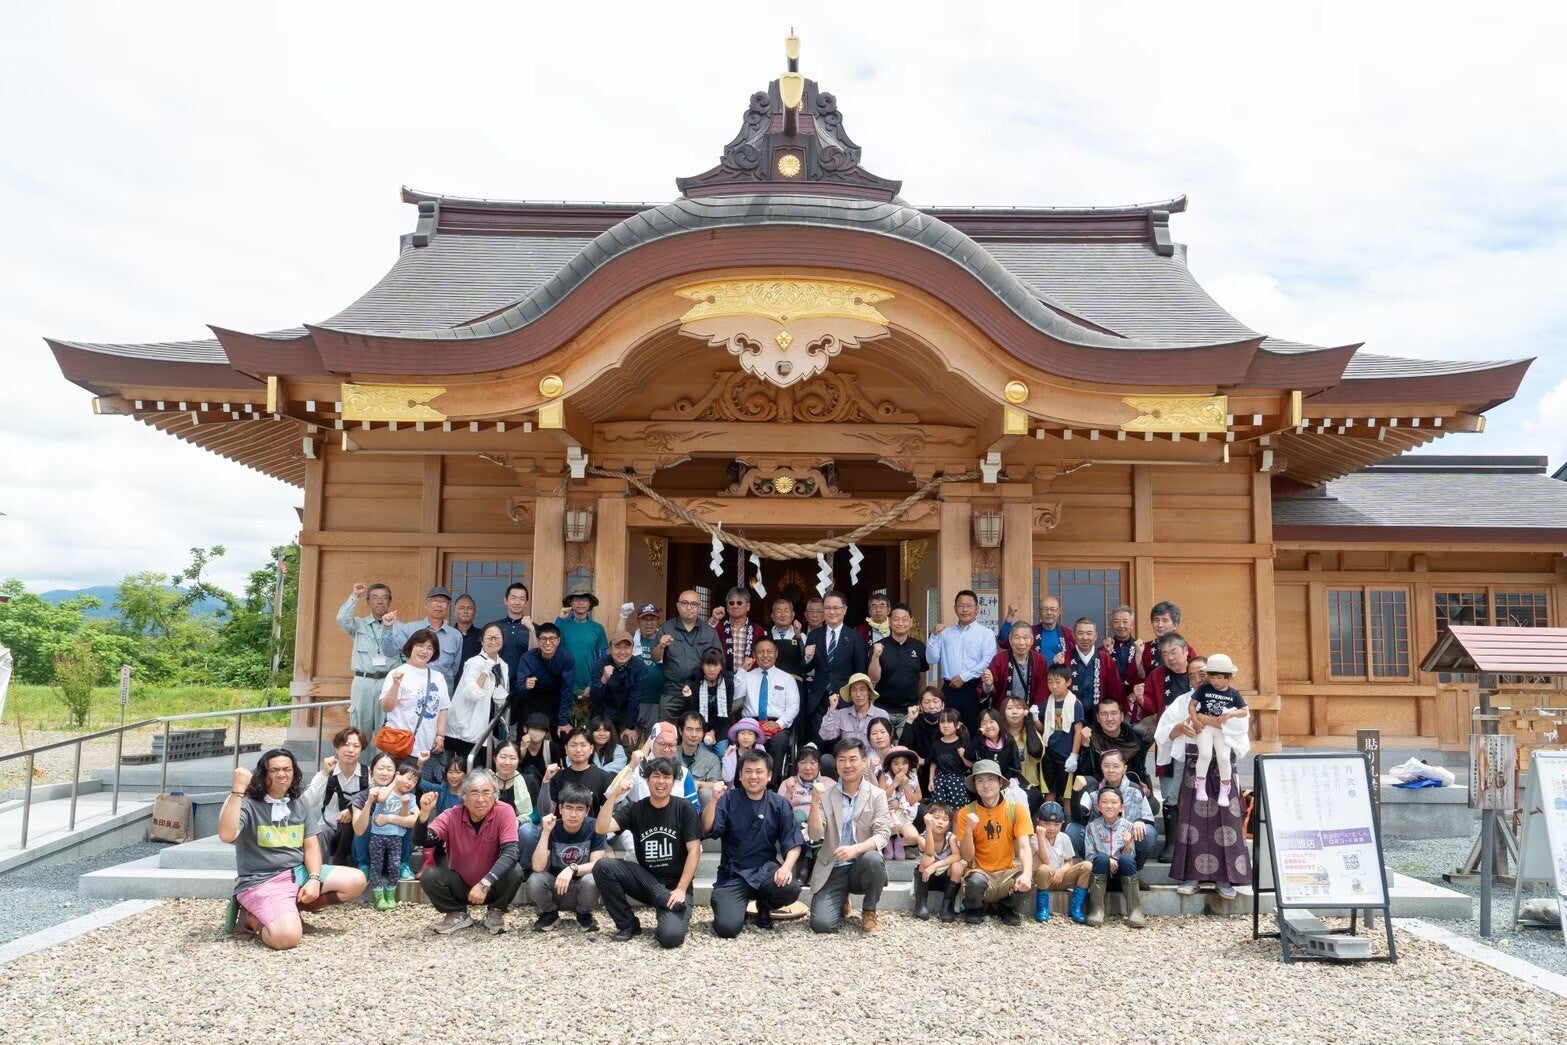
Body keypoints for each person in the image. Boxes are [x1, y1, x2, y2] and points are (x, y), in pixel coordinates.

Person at [219, 749, 367, 949]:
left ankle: (290, 910)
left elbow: (311, 846)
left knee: (356, 880)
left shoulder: (298, 802)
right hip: (262, 881)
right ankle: (251, 919)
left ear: (294, 773)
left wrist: (314, 879)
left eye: (287, 769)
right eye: (274, 770)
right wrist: (237, 791)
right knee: (287, 939)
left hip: (297, 873)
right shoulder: (248, 804)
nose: (282, 774)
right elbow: (227, 835)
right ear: (263, 774)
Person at [1154, 674, 1252, 899]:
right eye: (1193, 674)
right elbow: (1164, 733)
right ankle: (1191, 877)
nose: (1200, 678)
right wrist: (1179, 728)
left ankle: (1225, 879)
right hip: (1194, 767)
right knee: (1191, 823)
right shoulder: (1182, 702)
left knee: (1227, 822)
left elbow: (1239, 724)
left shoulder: (1231, 696)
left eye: (1203, 672)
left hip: (1223, 769)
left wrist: (1201, 717)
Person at [594, 757, 704, 946]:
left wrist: (681, 889)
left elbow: (694, 851)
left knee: (670, 938)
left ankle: (666, 903)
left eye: (667, 777)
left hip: (675, 886)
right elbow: (601, 828)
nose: (661, 781)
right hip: (646, 880)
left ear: (673, 782)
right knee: (603, 866)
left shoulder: (684, 808)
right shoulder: (635, 808)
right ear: (647, 780)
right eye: (656, 776)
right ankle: (628, 924)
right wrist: (613, 796)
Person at [703, 749, 804, 936]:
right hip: (733, 873)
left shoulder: (779, 803)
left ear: (769, 775)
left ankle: (765, 904)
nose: (753, 776)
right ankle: (734, 906)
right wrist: (713, 800)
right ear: (740, 776)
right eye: (748, 771)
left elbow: (793, 841)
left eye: (759, 771)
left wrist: (786, 867)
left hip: (765, 870)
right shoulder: (728, 799)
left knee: (791, 888)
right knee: (727, 928)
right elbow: (707, 829)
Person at [418, 768, 523, 935]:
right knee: (429, 876)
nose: (480, 799)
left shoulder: (505, 811)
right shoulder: (452, 814)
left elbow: (511, 852)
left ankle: (495, 911)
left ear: (495, 796)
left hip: (492, 884)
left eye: (486, 792)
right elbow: (422, 840)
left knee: (515, 871)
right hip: (460, 884)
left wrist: (486, 882)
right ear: (464, 797)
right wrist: (424, 814)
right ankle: (457, 913)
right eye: (474, 793)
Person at [807, 738, 892, 934]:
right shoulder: (826, 795)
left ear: (864, 762)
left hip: (861, 865)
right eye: (842, 760)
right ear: (836, 763)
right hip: (833, 867)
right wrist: (814, 802)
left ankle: (869, 910)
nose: (847, 765)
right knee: (822, 925)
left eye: (853, 759)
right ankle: (842, 898)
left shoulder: (877, 795)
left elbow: (882, 835)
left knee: (873, 858)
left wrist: (855, 849)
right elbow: (815, 834)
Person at [955, 759, 1034, 926]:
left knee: (1026, 880)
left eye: (991, 779)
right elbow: (967, 856)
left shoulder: (1016, 810)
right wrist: (968, 830)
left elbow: (1024, 846)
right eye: (980, 780)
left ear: (1000, 782)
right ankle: (976, 908)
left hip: (1007, 872)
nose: (986, 785)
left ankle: (1006, 907)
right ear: (975, 785)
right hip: (980, 872)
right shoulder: (966, 813)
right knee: (975, 882)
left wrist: (1027, 873)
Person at [1139, 633, 1195, 858]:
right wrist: (1141, 699)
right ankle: (1172, 845)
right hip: (1170, 740)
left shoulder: (1198, 671)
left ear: (1186, 651)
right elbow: (1151, 707)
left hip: (1198, 740)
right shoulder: (1157, 675)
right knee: (1171, 792)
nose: (1170, 657)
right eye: (1165, 654)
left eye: (1174, 652)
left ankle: (1193, 846)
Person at [526, 783, 606, 932]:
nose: (573, 814)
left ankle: (583, 914)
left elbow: (597, 864)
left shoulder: (595, 827)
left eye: (579, 809)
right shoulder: (552, 827)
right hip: (555, 888)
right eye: (569, 808)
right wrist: (546, 832)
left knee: (593, 879)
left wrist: (572, 869)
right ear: (560, 808)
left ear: (587, 811)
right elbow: (537, 866)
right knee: (535, 879)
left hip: (582, 890)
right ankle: (550, 913)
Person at [801, 590, 868, 749]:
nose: (832, 612)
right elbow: (805, 667)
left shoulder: (855, 637)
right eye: (827, 608)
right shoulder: (814, 635)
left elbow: (860, 673)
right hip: (819, 700)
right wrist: (807, 657)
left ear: (844, 609)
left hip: (844, 700)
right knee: (818, 746)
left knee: (842, 747)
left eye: (836, 608)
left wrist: (858, 698)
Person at [1070, 750, 1158, 870]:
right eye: (1106, 766)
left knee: (1149, 832)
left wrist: (1139, 820)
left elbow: (1149, 818)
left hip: (1127, 841)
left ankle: (1133, 869)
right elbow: (1078, 816)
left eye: (1116, 766)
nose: (1111, 770)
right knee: (1073, 830)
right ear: (1101, 767)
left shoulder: (1135, 789)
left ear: (1124, 768)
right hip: (1099, 840)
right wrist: (1075, 792)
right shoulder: (1093, 789)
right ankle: (1095, 866)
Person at [337, 582, 398, 749]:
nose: (380, 601)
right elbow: (342, 619)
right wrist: (355, 595)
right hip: (363, 681)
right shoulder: (358, 625)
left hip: (388, 682)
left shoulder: (399, 627)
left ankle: (382, 765)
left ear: (389, 601)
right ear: (368, 602)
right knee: (358, 733)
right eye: (375, 598)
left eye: (384, 598)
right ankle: (359, 765)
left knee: (386, 732)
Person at [301, 726, 371, 870]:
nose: (350, 750)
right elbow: (307, 802)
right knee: (317, 833)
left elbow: (376, 800)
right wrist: (324, 773)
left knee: (350, 829)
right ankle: (314, 873)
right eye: (346, 744)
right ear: (336, 748)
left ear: (361, 750)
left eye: (356, 746)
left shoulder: (368, 775)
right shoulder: (325, 774)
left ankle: (349, 870)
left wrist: (352, 811)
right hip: (329, 827)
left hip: (355, 831)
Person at [354, 756, 419, 911]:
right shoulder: (363, 796)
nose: (384, 773)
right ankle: (364, 866)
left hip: (394, 847)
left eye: (389, 769)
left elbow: (416, 820)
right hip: (373, 846)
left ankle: (403, 864)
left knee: (407, 821)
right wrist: (369, 802)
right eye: (380, 768)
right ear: (371, 771)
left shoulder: (407, 797)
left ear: (396, 773)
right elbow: (359, 830)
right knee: (367, 822)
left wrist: (389, 818)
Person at [378, 630, 450, 761]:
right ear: (411, 646)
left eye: (429, 648)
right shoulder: (398, 672)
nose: (424, 651)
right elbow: (386, 707)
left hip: (427, 748)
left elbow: (443, 709)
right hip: (400, 745)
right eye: (420, 645)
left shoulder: (438, 677)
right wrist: (395, 685)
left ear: (434, 652)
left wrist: (440, 736)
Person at [928, 590, 993, 735]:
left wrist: (964, 677)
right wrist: (934, 636)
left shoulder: (986, 633)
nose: (965, 609)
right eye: (961, 605)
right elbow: (931, 659)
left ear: (977, 609)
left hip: (974, 688)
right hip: (949, 688)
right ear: (955, 608)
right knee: (948, 730)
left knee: (975, 730)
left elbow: (987, 661)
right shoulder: (945, 633)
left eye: (969, 606)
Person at [1188, 653, 1248, 807]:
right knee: (1205, 754)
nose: (1215, 681)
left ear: (1229, 677)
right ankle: (1200, 786)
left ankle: (1224, 790)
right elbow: (1192, 705)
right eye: (1212, 677)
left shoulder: (1233, 693)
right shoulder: (1204, 689)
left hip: (1222, 730)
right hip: (1205, 727)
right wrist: (1195, 720)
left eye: (1219, 677)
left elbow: (1244, 711)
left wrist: (1230, 714)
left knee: (1223, 757)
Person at [738, 636, 800, 782]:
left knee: (780, 739)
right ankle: (745, 780)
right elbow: (736, 696)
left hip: (776, 723)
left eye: (769, 651)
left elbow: (794, 706)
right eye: (761, 652)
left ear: (776, 654)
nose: (765, 655)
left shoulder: (787, 678)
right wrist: (741, 671)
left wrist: (779, 723)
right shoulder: (747, 676)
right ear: (754, 655)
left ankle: (769, 783)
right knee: (744, 737)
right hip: (751, 723)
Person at [654, 590, 721, 725]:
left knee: (696, 732)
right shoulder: (667, 627)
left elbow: (719, 661)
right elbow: (655, 658)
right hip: (672, 693)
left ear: (699, 607)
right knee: (667, 732)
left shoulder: (709, 632)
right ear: (678, 606)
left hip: (700, 693)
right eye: (684, 603)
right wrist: (661, 646)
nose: (689, 607)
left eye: (693, 604)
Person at [1082, 787, 1145, 928]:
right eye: (1104, 802)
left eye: (1114, 802)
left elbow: (1131, 857)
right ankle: (1097, 910)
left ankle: (1134, 911)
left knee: (1126, 859)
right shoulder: (1092, 827)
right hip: (1100, 874)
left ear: (1121, 807)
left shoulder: (1128, 826)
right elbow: (1089, 856)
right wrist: (1108, 860)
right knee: (1101, 858)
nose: (1109, 806)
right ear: (1098, 807)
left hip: (1121, 878)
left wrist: (1128, 844)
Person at [381, 586, 464, 694]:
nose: (439, 605)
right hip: (412, 692)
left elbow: (454, 669)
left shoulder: (455, 635)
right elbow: (389, 652)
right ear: (426, 604)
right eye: (435, 600)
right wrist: (388, 627)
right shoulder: (410, 629)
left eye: (444, 602)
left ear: (448, 606)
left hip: (442, 692)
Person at [448, 623, 508, 768]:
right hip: (467, 727)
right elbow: (472, 694)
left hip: (488, 725)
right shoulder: (474, 663)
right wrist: (485, 671)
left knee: (485, 769)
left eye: (497, 638)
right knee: (467, 769)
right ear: (482, 641)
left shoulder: (503, 665)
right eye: (489, 638)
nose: (493, 642)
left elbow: (500, 696)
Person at [865, 602, 928, 733]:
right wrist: (875, 657)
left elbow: (922, 678)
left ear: (911, 622)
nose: (900, 623)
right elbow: (873, 678)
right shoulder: (879, 646)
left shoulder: (919, 647)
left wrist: (920, 702)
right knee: (882, 742)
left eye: (904, 619)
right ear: (889, 621)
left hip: (909, 710)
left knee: (905, 744)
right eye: (896, 619)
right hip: (883, 708)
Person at [1032, 801, 1091, 923]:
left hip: (1059, 878)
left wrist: (1062, 871)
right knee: (1044, 869)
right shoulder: (1034, 838)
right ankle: (1042, 909)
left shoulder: (1064, 837)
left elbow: (1069, 862)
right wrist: (1041, 837)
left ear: (1062, 823)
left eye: (1056, 824)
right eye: (1046, 823)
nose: (1051, 828)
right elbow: (1045, 861)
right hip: (1042, 880)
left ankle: (1076, 908)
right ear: (1038, 822)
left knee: (1087, 866)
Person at [514, 622, 575, 738]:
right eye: (543, 639)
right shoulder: (527, 658)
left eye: (552, 639)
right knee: (525, 737)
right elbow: (520, 689)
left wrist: (563, 720)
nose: (548, 643)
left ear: (558, 640)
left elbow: (567, 690)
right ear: (538, 640)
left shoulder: (566, 657)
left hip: (555, 700)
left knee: (563, 735)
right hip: (531, 700)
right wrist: (526, 686)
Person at [491, 582, 538, 734]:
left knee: (523, 730)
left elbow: (536, 654)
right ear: (506, 600)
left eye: (521, 598)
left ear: (526, 602)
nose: (517, 602)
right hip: (498, 686)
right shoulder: (495, 627)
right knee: (497, 729)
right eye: (513, 597)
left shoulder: (534, 628)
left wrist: (531, 630)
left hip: (524, 687)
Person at [626, 721, 704, 808]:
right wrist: (630, 767)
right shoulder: (636, 769)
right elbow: (615, 796)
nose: (667, 749)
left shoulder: (683, 773)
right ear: (652, 742)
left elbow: (694, 808)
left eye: (671, 745)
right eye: (662, 744)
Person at [556, 584, 608, 712]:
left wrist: (592, 684)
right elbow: (550, 644)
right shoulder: (562, 625)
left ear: (590, 603)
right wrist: (559, 619)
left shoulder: (598, 628)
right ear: (570, 603)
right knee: (564, 723)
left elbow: (602, 659)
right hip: (564, 686)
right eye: (576, 599)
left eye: (584, 599)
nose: (580, 603)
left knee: (588, 724)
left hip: (589, 688)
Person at [1058, 617, 1126, 714]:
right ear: (1073, 635)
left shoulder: (1106, 659)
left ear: (1096, 636)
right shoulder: (1064, 659)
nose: (1085, 638)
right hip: (1068, 716)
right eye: (1080, 633)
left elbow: (1115, 692)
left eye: (1089, 633)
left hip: (1100, 718)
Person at [1040, 664, 1086, 804]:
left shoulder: (1075, 704)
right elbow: (1042, 729)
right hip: (1049, 752)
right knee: (1050, 790)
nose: (1053, 686)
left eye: (1057, 682)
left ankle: (1068, 819)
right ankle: (1048, 817)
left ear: (1068, 682)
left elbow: (1078, 730)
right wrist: (1034, 718)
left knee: (1068, 795)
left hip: (1066, 754)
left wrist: (1074, 755)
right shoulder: (1046, 704)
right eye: (1050, 682)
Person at [981, 621, 1051, 713]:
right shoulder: (999, 660)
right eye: (1017, 637)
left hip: (1028, 713)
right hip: (1003, 714)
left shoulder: (1040, 661)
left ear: (1032, 641)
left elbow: (1042, 691)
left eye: (1025, 638)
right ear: (1010, 640)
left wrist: (1034, 713)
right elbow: (988, 691)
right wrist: (988, 685)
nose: (1021, 642)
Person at [913, 801, 963, 921]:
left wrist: (935, 866)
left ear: (949, 824)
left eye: (945, 819)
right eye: (936, 818)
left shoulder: (950, 837)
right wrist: (928, 827)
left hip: (946, 879)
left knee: (957, 866)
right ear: (928, 819)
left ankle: (947, 905)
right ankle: (921, 903)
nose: (940, 822)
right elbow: (929, 852)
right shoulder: (921, 838)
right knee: (928, 859)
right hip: (926, 878)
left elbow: (957, 856)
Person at [818, 672, 891, 753]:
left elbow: (885, 743)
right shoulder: (842, 714)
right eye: (854, 690)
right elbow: (826, 735)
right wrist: (832, 709)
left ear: (869, 692)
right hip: (847, 758)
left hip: (872, 758)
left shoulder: (881, 714)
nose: (858, 694)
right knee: (826, 758)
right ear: (850, 694)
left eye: (862, 689)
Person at [587, 634, 646, 732]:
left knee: (628, 738)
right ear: (611, 648)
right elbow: (595, 698)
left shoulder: (640, 667)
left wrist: (630, 727)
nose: (622, 652)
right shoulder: (599, 664)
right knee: (600, 736)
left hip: (626, 712)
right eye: (617, 647)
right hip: (603, 711)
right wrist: (603, 679)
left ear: (632, 649)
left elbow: (635, 699)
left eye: (627, 647)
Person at [681, 647, 739, 749]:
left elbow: (727, 710)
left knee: (721, 751)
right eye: (708, 665)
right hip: (700, 726)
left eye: (716, 665)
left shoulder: (728, 683)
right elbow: (692, 712)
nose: (712, 669)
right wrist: (688, 697)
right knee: (702, 752)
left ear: (721, 666)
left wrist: (713, 731)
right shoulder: (696, 684)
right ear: (702, 666)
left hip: (721, 724)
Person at [1080, 697, 1147, 783]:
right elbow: (1085, 773)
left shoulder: (1135, 740)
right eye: (1104, 714)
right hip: (1098, 785)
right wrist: (1085, 745)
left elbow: (1139, 773)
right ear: (1098, 718)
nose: (1109, 719)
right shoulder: (1091, 737)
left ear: (1122, 716)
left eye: (1114, 713)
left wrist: (1143, 786)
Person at [1001, 695, 1047, 813]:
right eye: (1009, 708)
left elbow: (1036, 753)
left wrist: (1029, 722)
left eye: (1019, 708)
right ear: (1003, 712)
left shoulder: (1031, 733)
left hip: (1029, 789)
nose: (1014, 712)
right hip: (1003, 789)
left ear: (1025, 712)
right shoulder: (999, 736)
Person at [999, 595, 1073, 666]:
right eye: (1045, 609)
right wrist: (1010, 616)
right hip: (1036, 674)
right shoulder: (1030, 632)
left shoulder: (1067, 632)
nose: (1049, 613)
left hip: (1060, 674)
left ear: (1058, 612)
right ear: (1039, 611)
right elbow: (1003, 642)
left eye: (1052, 609)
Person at [1135, 600, 1196, 683]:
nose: (1160, 625)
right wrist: (1138, 655)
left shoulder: (1185, 649)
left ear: (1175, 625)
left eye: (1165, 620)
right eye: (1156, 620)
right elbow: (1140, 678)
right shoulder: (1144, 647)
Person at [877, 745, 922, 858]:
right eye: (896, 764)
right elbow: (880, 797)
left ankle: (899, 842)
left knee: (914, 837)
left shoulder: (912, 777)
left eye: (904, 763)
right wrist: (895, 783)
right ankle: (887, 841)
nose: (900, 767)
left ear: (909, 764)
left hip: (903, 816)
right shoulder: (884, 777)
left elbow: (915, 800)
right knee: (888, 856)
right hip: (887, 816)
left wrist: (906, 786)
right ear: (890, 765)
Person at [630, 604, 666, 737]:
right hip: (635, 700)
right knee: (632, 740)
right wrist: (622, 617)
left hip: (657, 700)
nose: (649, 623)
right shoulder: (631, 639)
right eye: (645, 619)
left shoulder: (664, 640)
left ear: (658, 621)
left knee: (653, 740)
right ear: (638, 621)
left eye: (652, 619)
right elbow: (615, 640)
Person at [712, 586, 766, 674]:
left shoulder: (758, 631)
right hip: (722, 677)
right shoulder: (718, 628)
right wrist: (714, 619)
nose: (735, 606)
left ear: (748, 606)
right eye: (731, 603)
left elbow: (762, 656)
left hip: (750, 678)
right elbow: (703, 637)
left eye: (739, 603)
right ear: (727, 607)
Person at [927, 708, 971, 809]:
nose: (945, 725)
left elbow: (970, 765)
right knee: (938, 809)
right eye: (942, 722)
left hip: (957, 781)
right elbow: (933, 763)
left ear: (958, 725)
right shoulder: (936, 744)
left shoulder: (963, 743)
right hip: (939, 781)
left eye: (949, 721)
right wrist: (931, 781)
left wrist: (963, 756)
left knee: (957, 809)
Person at [898, 686, 945, 769]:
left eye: (935, 702)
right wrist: (909, 720)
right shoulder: (915, 722)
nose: (932, 706)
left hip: (943, 769)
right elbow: (903, 748)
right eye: (927, 702)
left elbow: (951, 754)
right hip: (919, 769)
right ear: (920, 706)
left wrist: (925, 761)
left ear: (942, 705)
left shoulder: (948, 723)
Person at [974, 707, 1021, 785]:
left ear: (999, 722)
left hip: (1006, 780)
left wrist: (1000, 781)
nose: (988, 726)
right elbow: (968, 756)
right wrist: (978, 736)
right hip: (986, 783)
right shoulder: (980, 743)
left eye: (991, 721)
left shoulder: (1009, 741)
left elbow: (1015, 767)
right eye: (984, 723)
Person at [673, 712, 724, 783]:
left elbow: (716, 785)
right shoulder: (670, 755)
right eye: (689, 729)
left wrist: (699, 784)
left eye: (698, 730)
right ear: (681, 731)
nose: (694, 735)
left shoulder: (711, 759)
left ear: (703, 733)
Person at [492, 741, 535, 824]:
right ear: (495, 758)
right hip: (492, 824)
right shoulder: (488, 782)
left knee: (527, 829)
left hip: (519, 826)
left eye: (513, 758)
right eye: (503, 757)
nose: (507, 762)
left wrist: (518, 821)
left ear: (519, 760)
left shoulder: (529, 780)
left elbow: (536, 815)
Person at [766, 597, 808, 681]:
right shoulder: (765, 636)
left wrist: (798, 637)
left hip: (795, 682)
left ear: (792, 615)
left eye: (786, 611)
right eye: (779, 612)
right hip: (771, 681)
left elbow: (807, 662)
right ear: (772, 616)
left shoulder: (801, 636)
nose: (783, 615)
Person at [1102, 605, 1141, 690]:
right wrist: (1105, 653)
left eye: (1125, 622)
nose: (1121, 625)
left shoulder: (1141, 648)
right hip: (1110, 695)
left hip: (1134, 695)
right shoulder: (1103, 650)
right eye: (1116, 622)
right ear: (1111, 625)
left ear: (1132, 624)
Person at [720, 718, 766, 786]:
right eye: (742, 733)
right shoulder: (731, 754)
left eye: (750, 734)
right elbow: (727, 779)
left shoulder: (760, 753)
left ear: (755, 738)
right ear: (737, 736)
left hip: (755, 789)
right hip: (735, 790)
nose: (745, 737)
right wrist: (726, 756)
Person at [453, 593, 484, 667]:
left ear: (475, 613)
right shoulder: (447, 635)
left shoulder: (483, 636)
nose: (465, 611)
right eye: (461, 608)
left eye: (469, 608)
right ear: (454, 612)